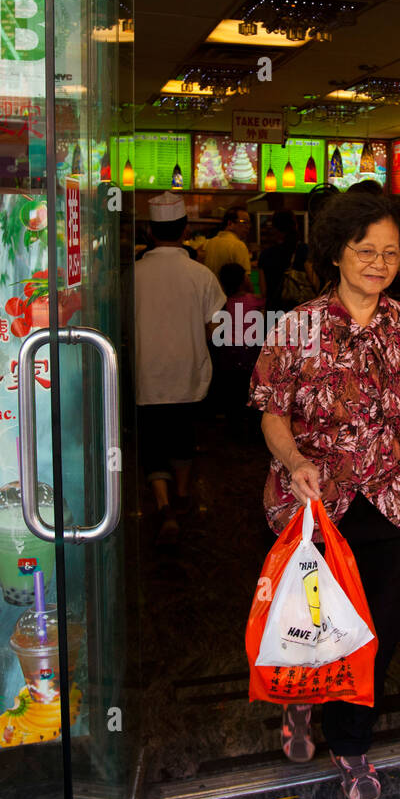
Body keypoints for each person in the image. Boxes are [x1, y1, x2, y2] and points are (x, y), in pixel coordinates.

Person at [249, 190, 400, 799]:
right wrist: (295, 460)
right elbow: (271, 412)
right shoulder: (298, 327)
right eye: (366, 250)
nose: (379, 263)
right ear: (337, 252)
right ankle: (304, 704)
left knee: (378, 628)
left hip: (391, 504)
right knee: (314, 626)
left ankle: (352, 741)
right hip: (313, 505)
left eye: (390, 253)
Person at [133, 193, 226, 544]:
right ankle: (184, 495)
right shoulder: (200, 275)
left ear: (150, 231)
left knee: (153, 441)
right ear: (185, 230)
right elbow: (216, 325)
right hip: (188, 371)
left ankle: (164, 506)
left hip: (146, 371)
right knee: (183, 435)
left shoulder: (134, 274)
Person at [211, 262, 264, 432]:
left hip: (229, 351)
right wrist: (258, 274)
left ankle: (234, 424)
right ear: (243, 280)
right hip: (250, 351)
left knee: (232, 388)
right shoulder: (253, 300)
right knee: (252, 388)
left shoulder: (225, 302)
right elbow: (265, 295)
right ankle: (253, 425)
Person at [258, 209, 312, 312]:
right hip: (299, 313)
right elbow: (313, 281)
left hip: (273, 312)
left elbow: (264, 291)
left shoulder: (265, 255)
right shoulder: (304, 250)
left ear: (275, 228)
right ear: (295, 226)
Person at [202, 206, 253, 282]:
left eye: (249, 223)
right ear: (230, 223)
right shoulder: (238, 245)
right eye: (244, 222)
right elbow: (245, 280)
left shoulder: (208, 243)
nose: (248, 227)